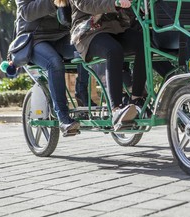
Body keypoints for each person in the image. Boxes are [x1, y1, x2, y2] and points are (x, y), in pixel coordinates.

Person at [66, 0, 147, 131]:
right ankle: (116, 109)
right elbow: (84, 4)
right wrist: (116, 3)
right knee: (113, 50)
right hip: (88, 32)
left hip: (115, 28)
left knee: (145, 42)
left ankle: (136, 99)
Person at [15, 0, 90, 135]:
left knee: (87, 46)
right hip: (34, 38)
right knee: (54, 62)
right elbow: (26, 12)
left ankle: (82, 94)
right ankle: (63, 117)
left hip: (62, 36)